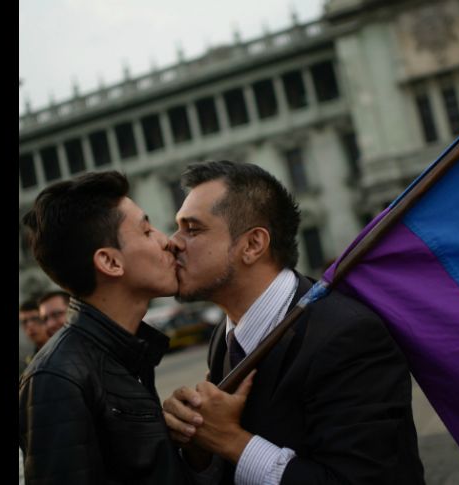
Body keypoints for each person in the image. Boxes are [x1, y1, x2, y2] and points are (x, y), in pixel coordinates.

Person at [162, 160, 425, 484]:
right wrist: (198, 446)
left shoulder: (348, 336)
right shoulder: (224, 337)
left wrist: (231, 442)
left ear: (253, 245)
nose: (171, 242)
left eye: (193, 229)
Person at [19, 171, 193, 484]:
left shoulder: (126, 352)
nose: (167, 241)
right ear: (110, 262)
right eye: (146, 230)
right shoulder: (57, 379)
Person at [19, 297, 48, 367]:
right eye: (24, 321)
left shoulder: (64, 352)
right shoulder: (31, 360)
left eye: (35, 319)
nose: (30, 326)